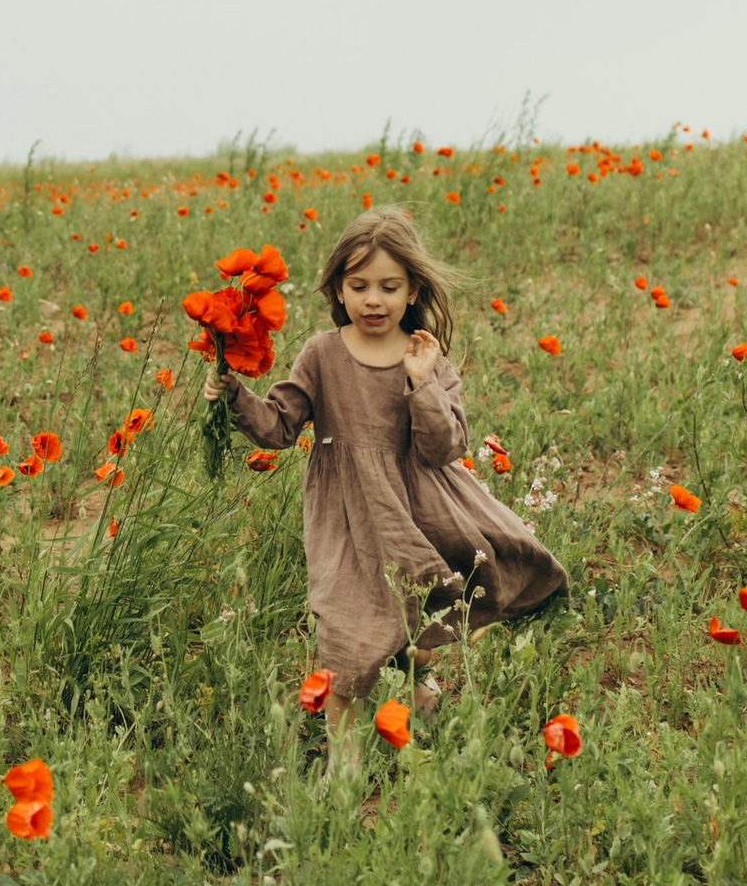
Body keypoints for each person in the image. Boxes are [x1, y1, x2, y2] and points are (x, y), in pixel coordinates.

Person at [205, 208, 565, 737]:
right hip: (346, 518)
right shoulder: (322, 355)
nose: (374, 299)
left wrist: (420, 383)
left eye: (389, 287)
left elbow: (445, 446)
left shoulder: (427, 359)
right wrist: (232, 392)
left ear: (413, 289)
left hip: (418, 513)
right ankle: (343, 773)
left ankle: (417, 681)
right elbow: (279, 428)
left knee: (413, 617)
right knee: (346, 631)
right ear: (339, 290)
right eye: (359, 285)